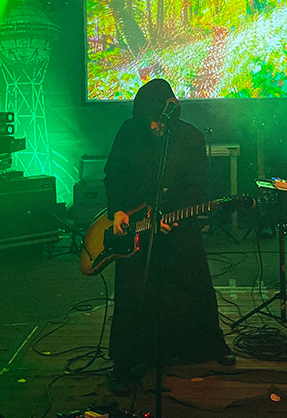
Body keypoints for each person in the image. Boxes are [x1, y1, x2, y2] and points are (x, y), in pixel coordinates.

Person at [104, 79, 234, 393]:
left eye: (157, 120)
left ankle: (209, 345)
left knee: (193, 283)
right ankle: (126, 360)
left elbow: (197, 187)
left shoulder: (190, 137)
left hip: (177, 225)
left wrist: (170, 213)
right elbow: (114, 174)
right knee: (133, 292)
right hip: (135, 228)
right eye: (147, 120)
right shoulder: (128, 132)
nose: (153, 127)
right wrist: (118, 210)